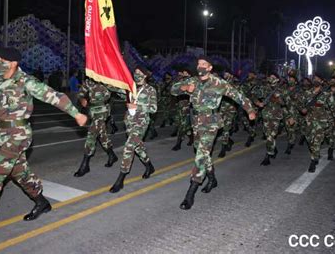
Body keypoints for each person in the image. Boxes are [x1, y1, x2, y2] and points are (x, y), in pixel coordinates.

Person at [0, 47, 87, 252]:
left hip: (19, 135)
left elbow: (54, 96)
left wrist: (76, 114)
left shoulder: (26, 81)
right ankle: (41, 202)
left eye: (1, 58)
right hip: (1, 135)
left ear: (13, 63)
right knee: (19, 173)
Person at [171, 56, 257, 210]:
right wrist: (184, 88)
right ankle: (212, 179)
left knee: (201, 155)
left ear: (210, 68)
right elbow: (173, 90)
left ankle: (190, 192)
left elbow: (238, 96)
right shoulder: (192, 81)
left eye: (204, 64)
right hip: (195, 121)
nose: (200, 66)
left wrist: (249, 110)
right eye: (199, 64)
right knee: (202, 152)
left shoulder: (219, 83)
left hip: (211, 122)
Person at [109, 66, 157, 193]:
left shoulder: (150, 90)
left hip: (141, 122)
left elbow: (153, 108)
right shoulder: (130, 88)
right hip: (129, 121)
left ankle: (121, 179)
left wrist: (138, 106)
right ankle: (149, 166)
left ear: (145, 75)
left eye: (140, 72)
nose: (137, 74)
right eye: (135, 72)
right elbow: (114, 88)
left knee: (129, 146)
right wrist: (105, 78)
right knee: (137, 147)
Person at [73, 78, 126, 177]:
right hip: (93, 111)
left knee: (91, 135)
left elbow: (122, 91)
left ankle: (85, 165)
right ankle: (112, 155)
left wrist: (132, 97)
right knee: (102, 135)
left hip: (103, 111)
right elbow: (81, 92)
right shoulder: (89, 81)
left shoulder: (106, 80)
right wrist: (82, 99)